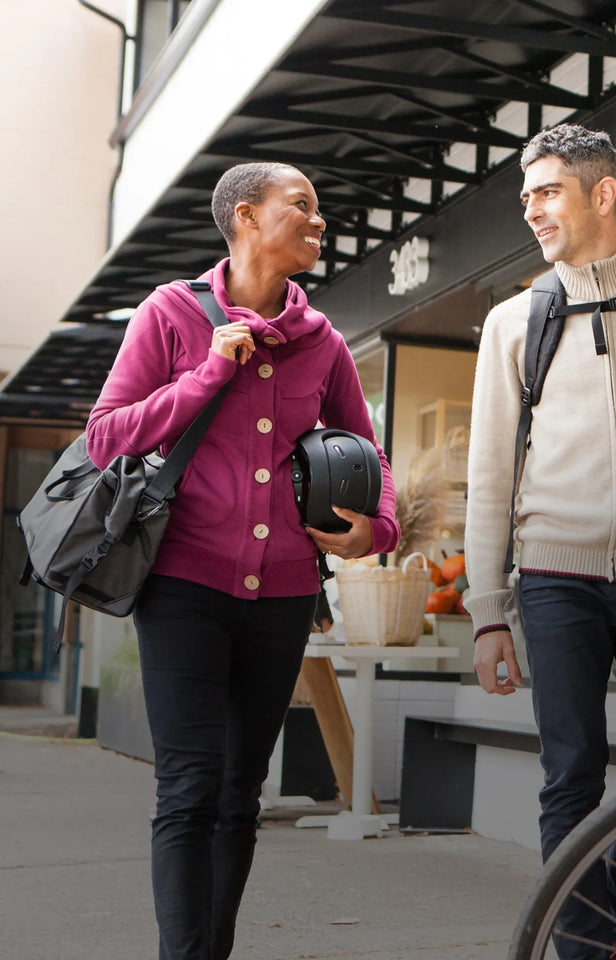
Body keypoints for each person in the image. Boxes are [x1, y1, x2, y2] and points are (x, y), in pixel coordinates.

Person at [86, 161, 400, 960]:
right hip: (184, 585)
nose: (318, 221)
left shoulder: (321, 340)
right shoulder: (169, 314)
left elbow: (371, 451)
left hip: (285, 594)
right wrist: (206, 374)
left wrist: (378, 530)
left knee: (238, 797)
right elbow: (107, 434)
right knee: (188, 791)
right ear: (246, 217)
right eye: (303, 206)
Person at [464, 123, 616, 960]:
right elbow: (490, 474)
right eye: (526, 195)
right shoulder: (513, 323)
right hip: (554, 580)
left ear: (602, 193)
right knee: (571, 775)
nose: (532, 210)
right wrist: (487, 612)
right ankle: (583, 946)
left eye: (548, 191)